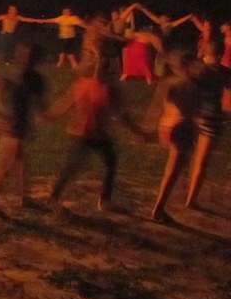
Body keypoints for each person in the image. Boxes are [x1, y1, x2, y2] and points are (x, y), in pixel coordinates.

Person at [47, 56, 144, 212]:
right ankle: (103, 201)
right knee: (108, 163)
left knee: (75, 165)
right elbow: (122, 116)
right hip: (96, 134)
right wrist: (139, 132)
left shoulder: (81, 84)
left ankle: (55, 196)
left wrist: (50, 115)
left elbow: (65, 103)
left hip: (80, 133)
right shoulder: (107, 89)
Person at [0, 43, 48, 211]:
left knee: (19, 161)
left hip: (15, 124)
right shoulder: (31, 79)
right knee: (4, 164)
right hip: (14, 126)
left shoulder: (16, 75)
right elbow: (41, 106)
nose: (24, 59)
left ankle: (24, 197)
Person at [147, 51, 199, 222]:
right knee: (173, 170)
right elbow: (193, 109)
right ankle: (158, 209)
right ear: (187, 66)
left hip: (167, 127)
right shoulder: (189, 85)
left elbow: (157, 106)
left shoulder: (169, 83)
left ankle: (161, 207)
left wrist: (150, 129)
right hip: (181, 128)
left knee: (175, 167)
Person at [185, 41, 230, 210]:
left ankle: (188, 189)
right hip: (211, 117)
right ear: (221, 54)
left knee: (191, 155)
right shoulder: (224, 72)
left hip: (192, 115)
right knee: (201, 161)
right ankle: (191, 199)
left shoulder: (197, 70)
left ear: (205, 52)